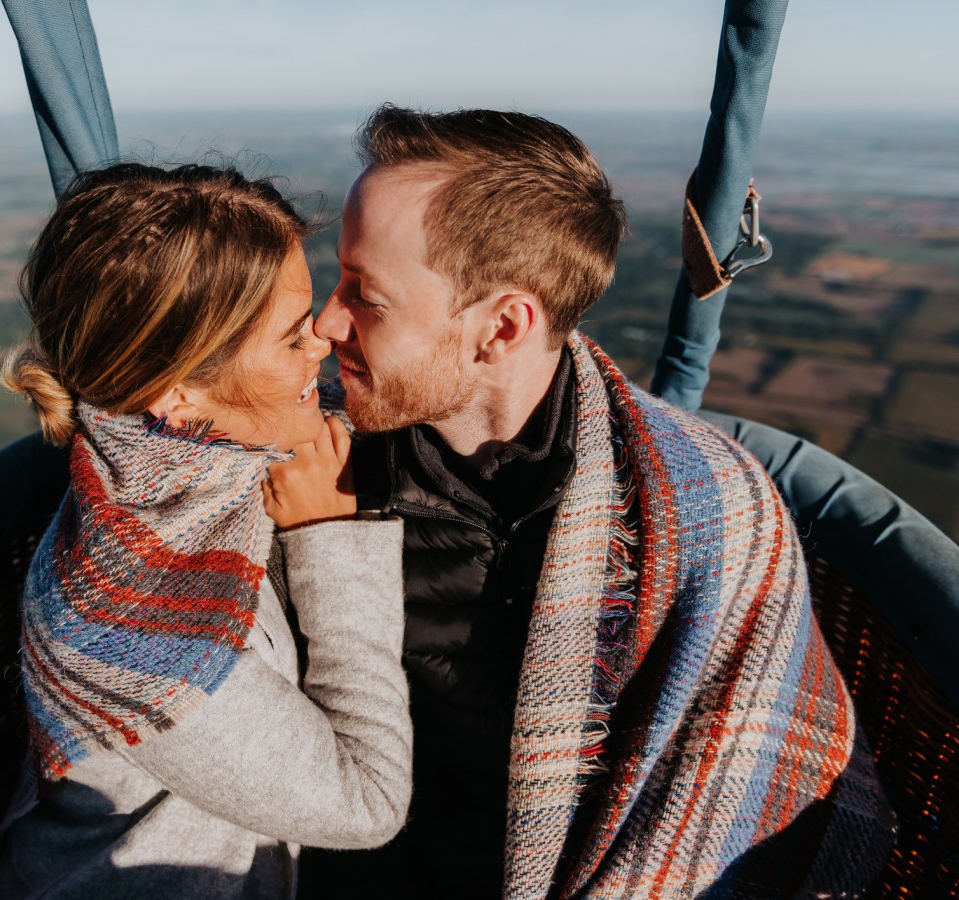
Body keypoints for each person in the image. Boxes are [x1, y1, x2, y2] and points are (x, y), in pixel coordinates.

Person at [298, 107, 895, 899]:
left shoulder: (708, 508)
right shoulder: (310, 466)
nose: (325, 322)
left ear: (502, 328)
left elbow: (729, 798)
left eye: (366, 296)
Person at [0, 162, 411, 899]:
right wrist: (327, 536)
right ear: (177, 394)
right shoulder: (133, 628)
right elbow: (365, 804)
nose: (320, 340)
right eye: (291, 338)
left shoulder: (191, 464)